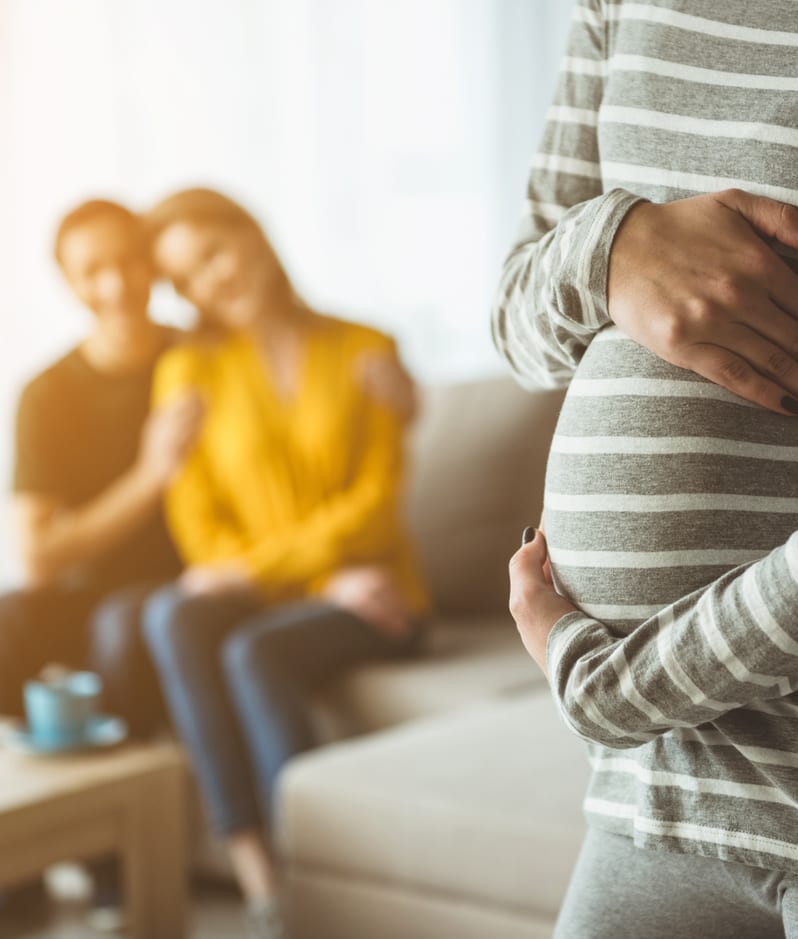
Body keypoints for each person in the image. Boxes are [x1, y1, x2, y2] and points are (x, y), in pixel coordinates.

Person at [492, 2, 798, 937]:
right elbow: (516, 323)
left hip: (646, 709)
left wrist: (611, 689)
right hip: (660, 787)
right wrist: (612, 247)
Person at [140, 188, 428, 939]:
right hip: (308, 588)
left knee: (254, 649)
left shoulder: (368, 348)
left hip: (379, 594)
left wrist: (293, 575)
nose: (209, 281)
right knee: (171, 610)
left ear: (254, 235)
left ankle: (315, 880)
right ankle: (258, 876)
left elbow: (376, 506)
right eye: (187, 278)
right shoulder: (188, 373)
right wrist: (308, 575)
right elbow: (199, 527)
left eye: (213, 253)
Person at [1, 198, 203, 923]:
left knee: (122, 625)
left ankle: (118, 861)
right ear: (67, 281)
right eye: (93, 270)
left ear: (154, 263)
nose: (117, 284)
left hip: (186, 581)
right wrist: (151, 474)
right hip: (84, 586)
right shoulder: (46, 393)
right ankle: (14, 868)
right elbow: (40, 557)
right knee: (8, 619)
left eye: (130, 261)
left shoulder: (201, 358)